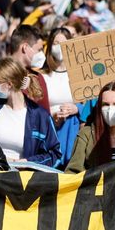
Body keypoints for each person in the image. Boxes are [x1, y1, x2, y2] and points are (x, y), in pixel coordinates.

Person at [0, 59, 62, 167]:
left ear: (9, 84)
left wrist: (28, 162)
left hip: (21, 178)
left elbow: (55, 155)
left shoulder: (40, 116)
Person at [41, 28, 82, 167]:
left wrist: (76, 108)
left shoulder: (78, 74)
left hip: (72, 130)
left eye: (64, 43)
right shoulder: (42, 76)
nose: (59, 47)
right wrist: (51, 114)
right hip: (49, 130)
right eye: (56, 42)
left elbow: (89, 103)